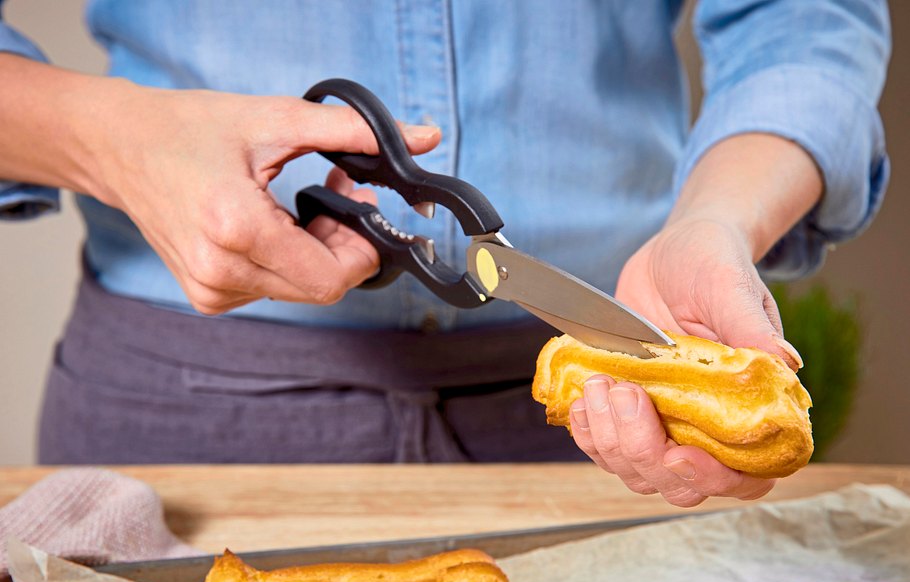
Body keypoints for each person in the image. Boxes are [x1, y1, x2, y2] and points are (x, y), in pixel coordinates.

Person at [0, 1, 890, 507]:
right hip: (185, 421)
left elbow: (804, 18)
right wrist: (109, 141)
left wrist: (718, 220)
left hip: (612, 404)